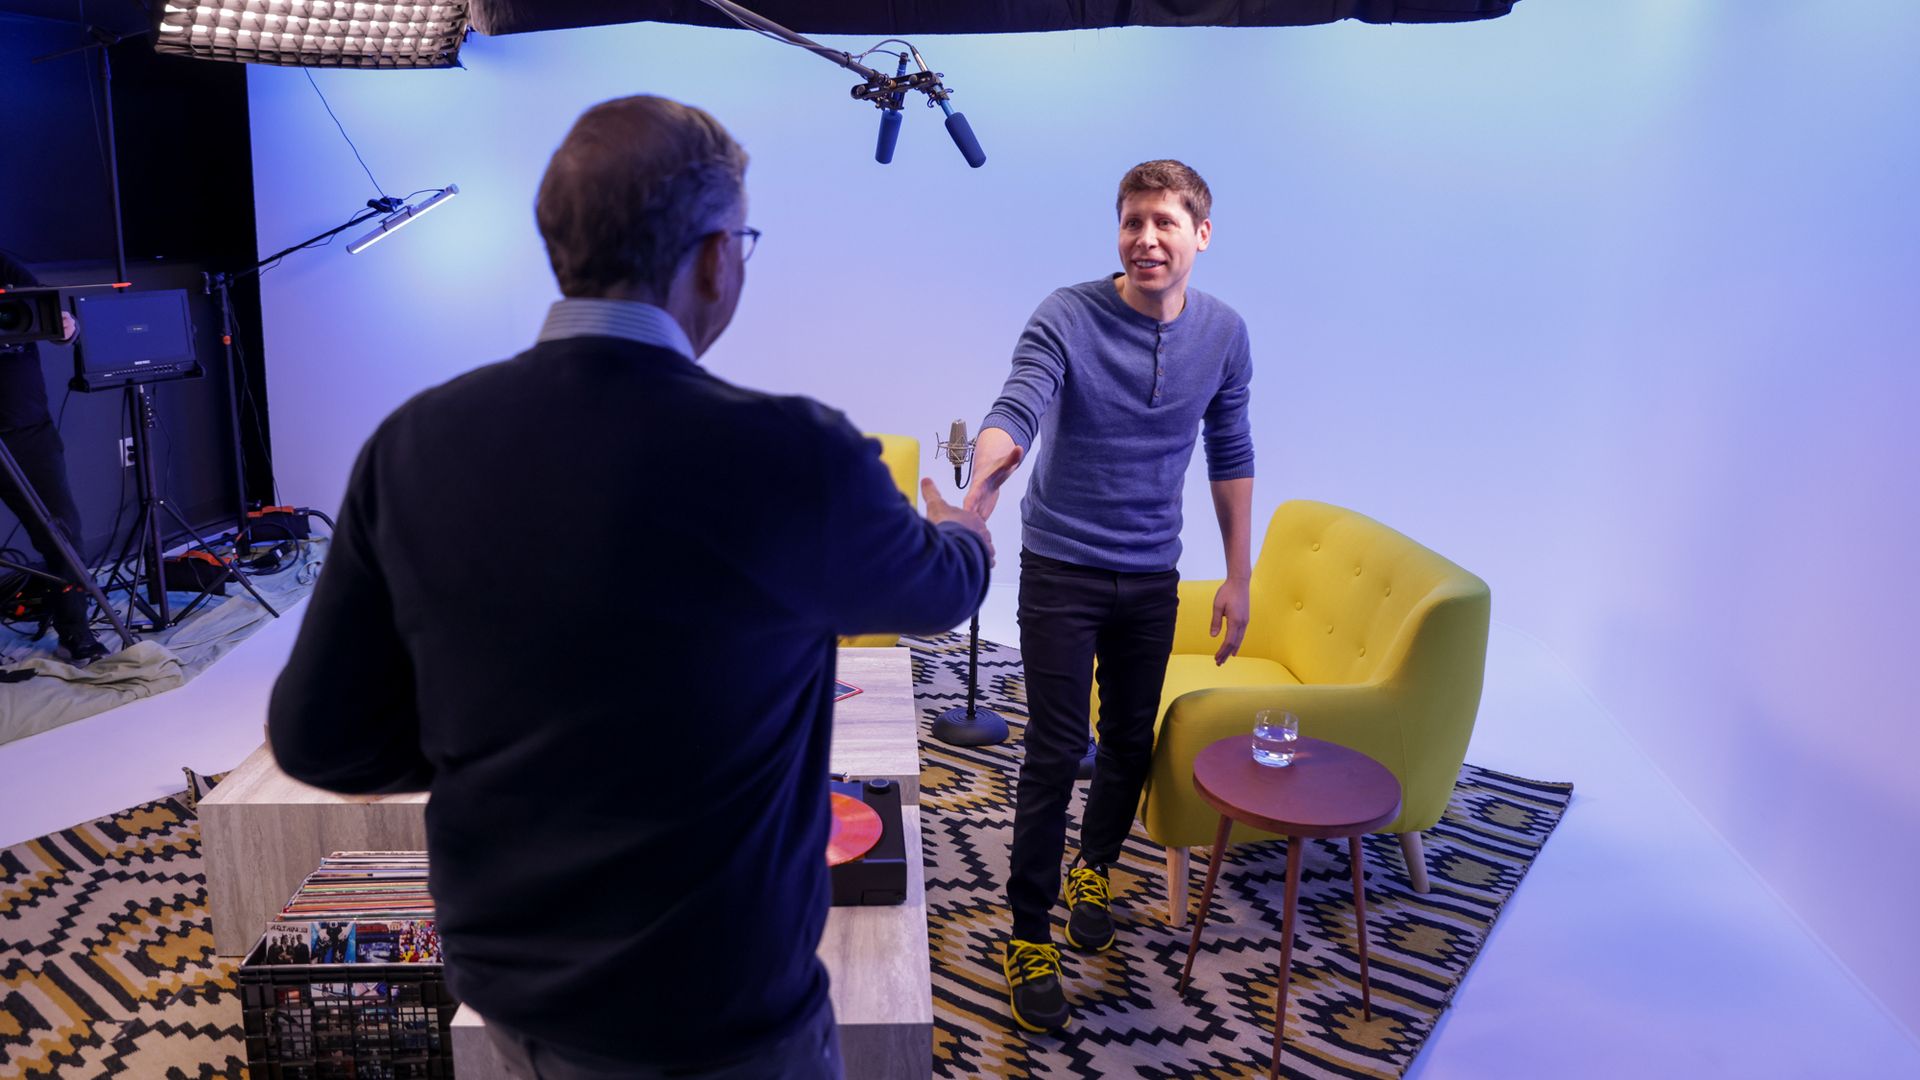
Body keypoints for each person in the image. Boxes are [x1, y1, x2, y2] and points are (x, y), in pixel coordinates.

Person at [266, 96, 994, 1079]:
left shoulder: (414, 442)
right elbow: (941, 590)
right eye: (744, 238)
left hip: (513, 990)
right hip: (721, 1017)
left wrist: (506, 739)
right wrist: (968, 528)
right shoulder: (793, 456)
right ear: (709, 259)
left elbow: (322, 736)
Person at [965, 160, 1255, 1033]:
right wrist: (979, 496)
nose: (1147, 238)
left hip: (1150, 572)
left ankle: (1094, 865)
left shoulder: (1226, 334)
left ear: (1201, 234)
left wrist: (1241, 576)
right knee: (1057, 750)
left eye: (1166, 222)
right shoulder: (1066, 314)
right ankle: (1027, 932)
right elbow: (1019, 404)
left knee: (1129, 738)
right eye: (1133, 221)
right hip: (1061, 566)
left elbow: (1231, 450)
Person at [0, 248, 108, 665]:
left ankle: (75, 634)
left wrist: (67, 325)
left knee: (62, 533)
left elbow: (43, 304)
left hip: (28, 429)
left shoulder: (3, 259)